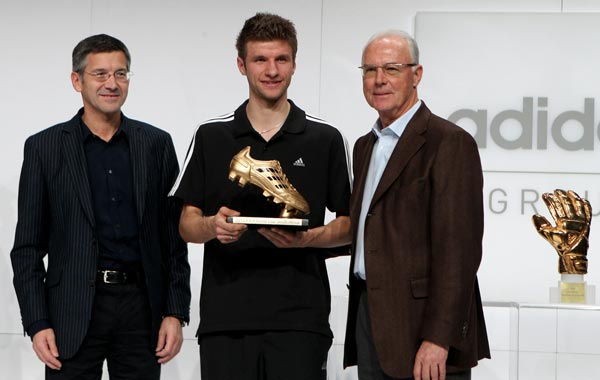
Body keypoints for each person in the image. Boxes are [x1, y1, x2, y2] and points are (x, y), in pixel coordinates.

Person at [169, 12, 351, 380]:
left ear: (295, 64)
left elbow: (349, 226)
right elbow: (186, 225)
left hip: (301, 320)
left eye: (281, 59)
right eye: (260, 59)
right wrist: (212, 226)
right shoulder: (210, 135)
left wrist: (307, 240)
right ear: (241, 64)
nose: (271, 70)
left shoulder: (325, 138)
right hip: (226, 319)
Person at [11, 34, 191, 379]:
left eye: (121, 74)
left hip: (142, 308)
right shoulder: (44, 147)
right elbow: (27, 248)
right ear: (77, 80)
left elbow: (173, 237)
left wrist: (175, 310)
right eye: (101, 74)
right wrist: (37, 321)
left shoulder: (156, 144)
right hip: (72, 310)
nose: (112, 84)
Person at [343, 30, 490, 380]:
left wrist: (439, 337)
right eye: (370, 70)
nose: (379, 80)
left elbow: (459, 252)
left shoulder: (449, 142)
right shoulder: (365, 146)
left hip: (423, 329)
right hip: (371, 317)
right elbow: (371, 229)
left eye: (392, 69)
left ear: (417, 74)